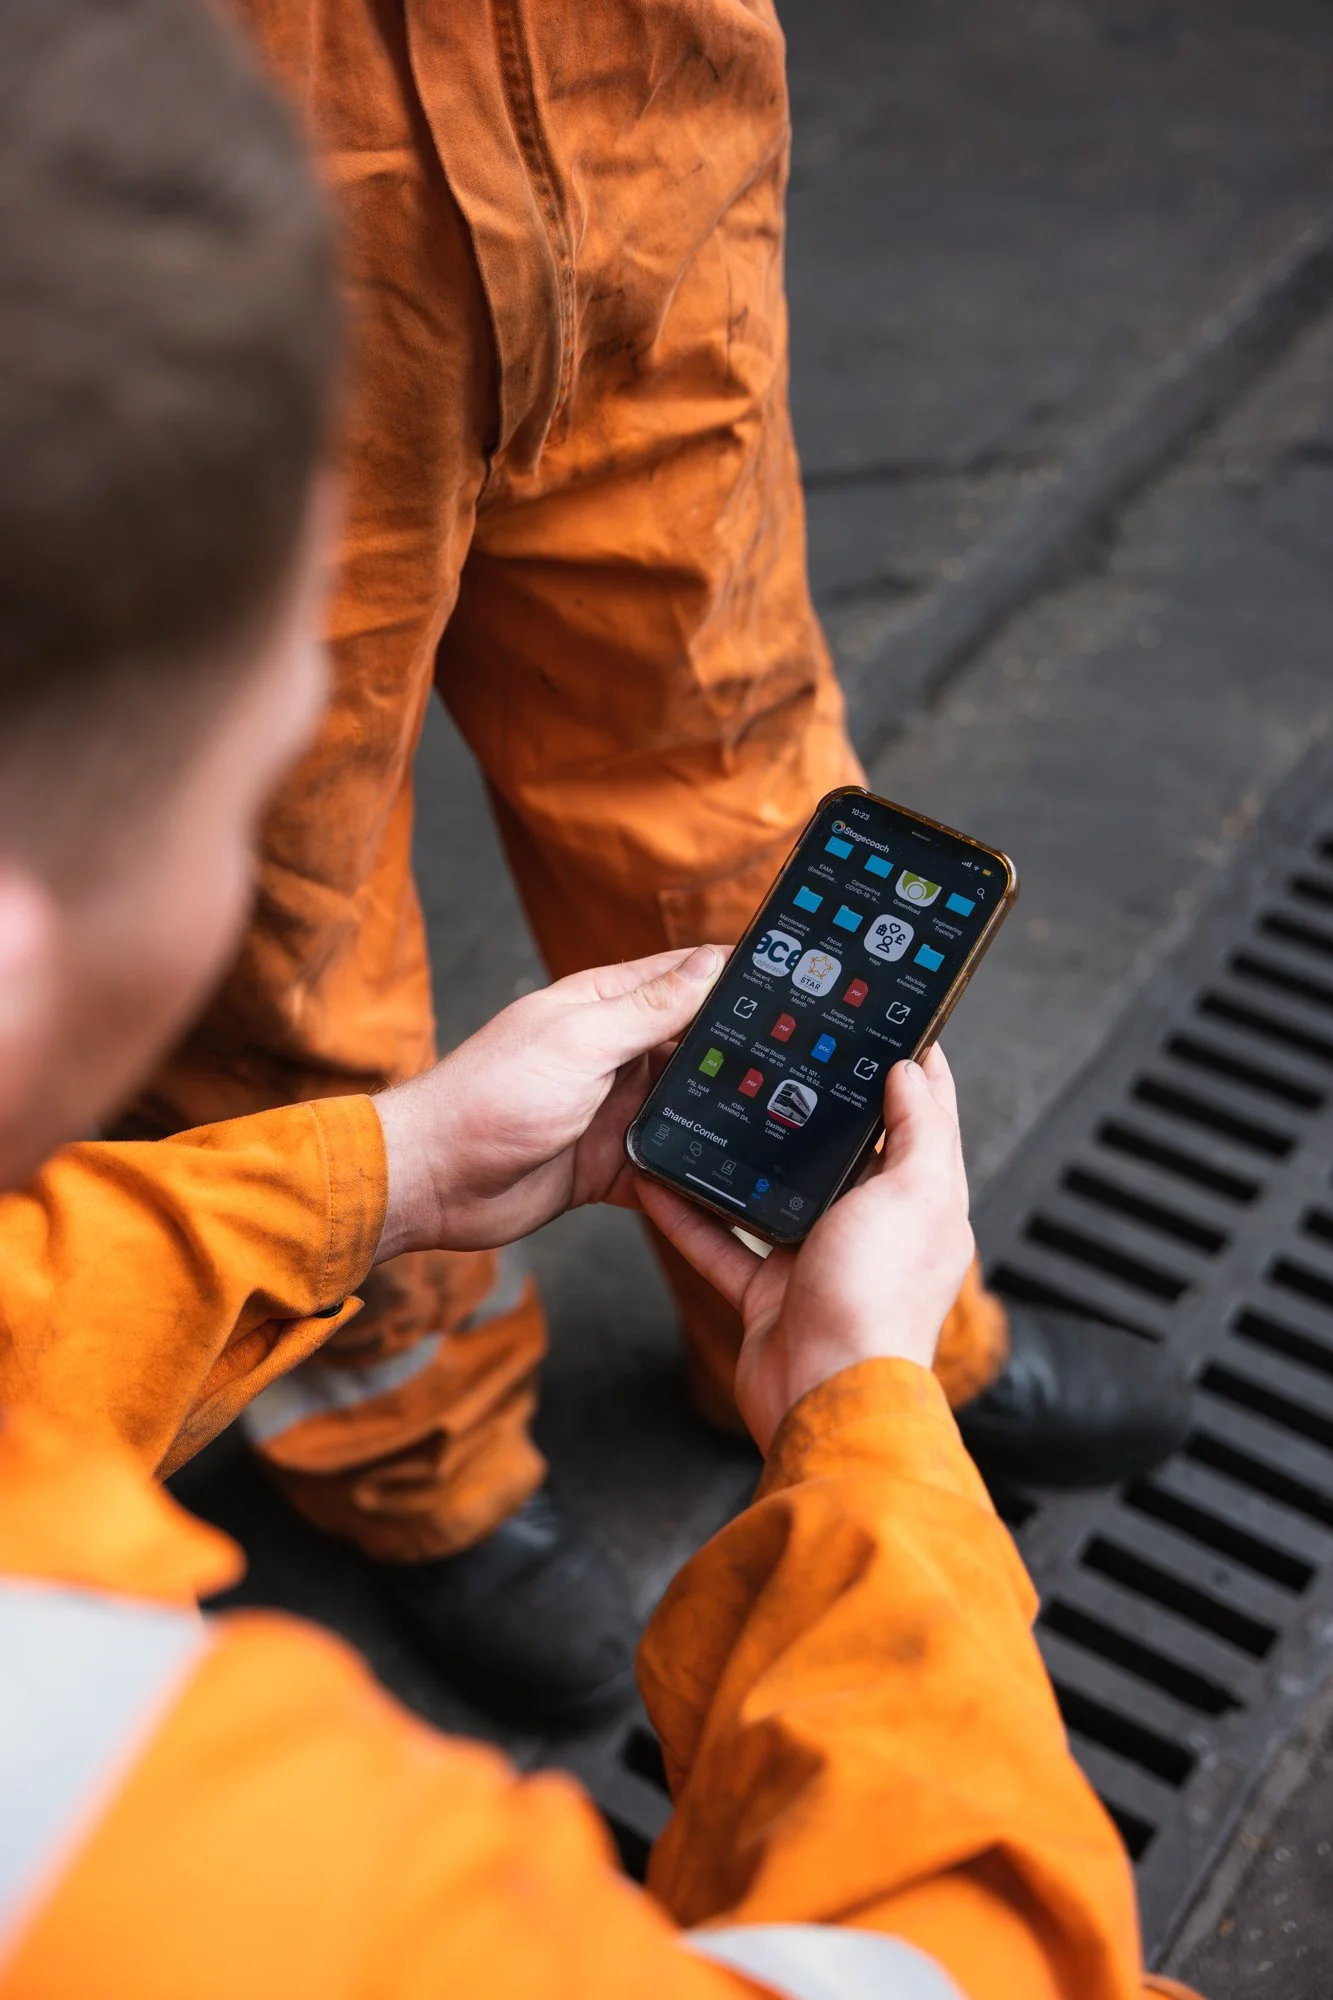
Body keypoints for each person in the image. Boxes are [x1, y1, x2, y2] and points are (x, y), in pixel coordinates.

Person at [0, 12, 1201, 1990]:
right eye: (247, 742)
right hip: (263, 101)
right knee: (296, 978)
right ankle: (424, 1461)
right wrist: (862, 1431)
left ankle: (882, 1305)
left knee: (745, 808)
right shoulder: (193, 1866)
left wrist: (373, 1170)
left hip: (627, 103)